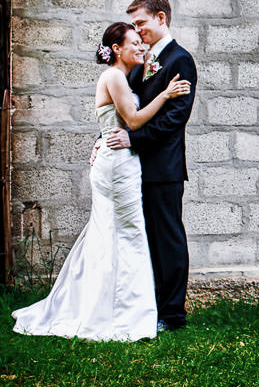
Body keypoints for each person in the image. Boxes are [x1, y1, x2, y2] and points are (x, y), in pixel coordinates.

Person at [11, 22, 191, 341]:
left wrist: (105, 137)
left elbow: (116, 122)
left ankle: (121, 307)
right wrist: (165, 94)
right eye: (134, 42)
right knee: (126, 233)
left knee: (116, 233)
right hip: (117, 163)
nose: (141, 47)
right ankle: (122, 313)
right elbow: (133, 120)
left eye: (142, 41)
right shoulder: (114, 76)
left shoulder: (121, 76)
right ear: (117, 49)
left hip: (120, 160)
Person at [103, 0, 197, 332]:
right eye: (135, 24)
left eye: (141, 22)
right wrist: (106, 140)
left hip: (163, 167)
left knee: (167, 239)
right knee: (142, 239)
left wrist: (134, 138)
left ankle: (172, 315)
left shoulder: (180, 60)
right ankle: (146, 307)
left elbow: (175, 118)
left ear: (161, 18)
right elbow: (124, 109)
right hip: (133, 165)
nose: (137, 30)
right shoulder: (140, 60)